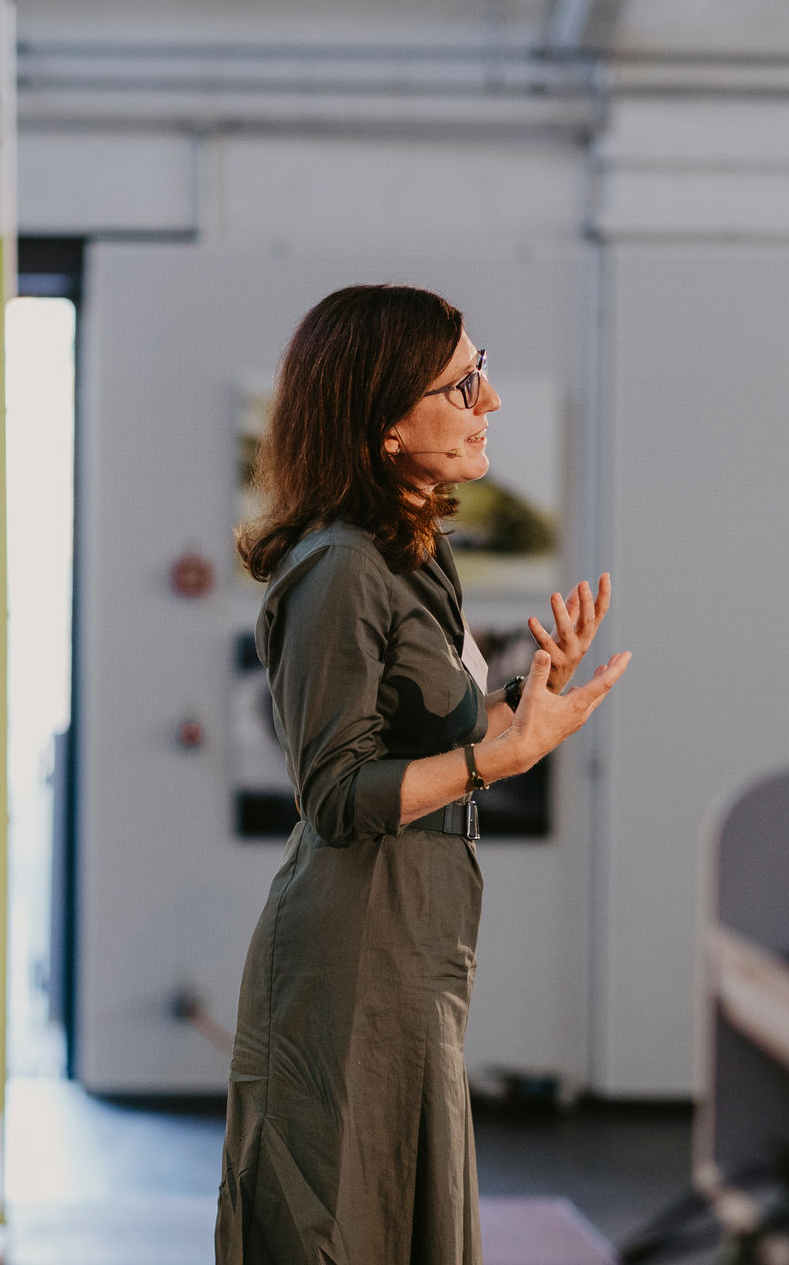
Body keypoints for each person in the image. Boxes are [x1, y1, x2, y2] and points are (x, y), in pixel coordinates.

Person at [217, 284, 631, 1264]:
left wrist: (528, 702)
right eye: (462, 384)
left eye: (480, 373)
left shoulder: (416, 554)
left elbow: (441, 738)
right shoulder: (338, 569)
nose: (490, 401)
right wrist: (504, 755)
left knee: (408, 1215)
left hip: (418, 939)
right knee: (339, 1225)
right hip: (352, 948)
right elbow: (336, 794)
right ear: (385, 424)